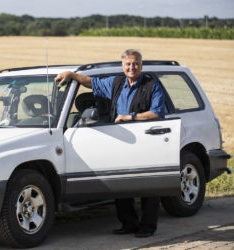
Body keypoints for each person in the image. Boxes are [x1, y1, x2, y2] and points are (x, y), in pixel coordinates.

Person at [55, 49, 165, 238]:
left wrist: (131, 117)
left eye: (136, 63)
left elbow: (157, 112)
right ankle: (128, 224)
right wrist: (72, 75)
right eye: (128, 64)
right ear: (123, 66)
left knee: (148, 185)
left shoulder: (152, 85)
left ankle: (148, 227)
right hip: (120, 140)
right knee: (122, 183)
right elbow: (91, 83)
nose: (132, 67)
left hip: (145, 140)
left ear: (141, 65)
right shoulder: (116, 83)